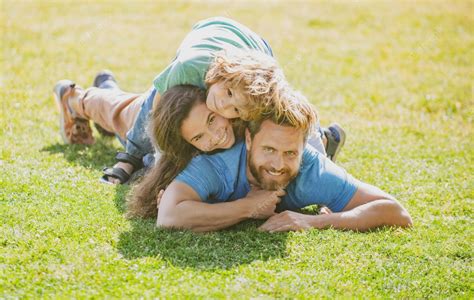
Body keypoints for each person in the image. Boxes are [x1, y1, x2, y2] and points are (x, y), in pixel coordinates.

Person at [53, 17, 344, 184]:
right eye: (226, 97)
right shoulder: (189, 69)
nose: (224, 109)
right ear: (217, 77)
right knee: (134, 118)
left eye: (236, 110)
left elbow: (296, 119)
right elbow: (153, 107)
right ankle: (75, 99)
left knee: (271, 125)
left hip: (254, 51)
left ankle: (105, 86)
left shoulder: (260, 95)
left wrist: (324, 165)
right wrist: (131, 157)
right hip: (209, 38)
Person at [151, 89, 412, 232]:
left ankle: (326, 139)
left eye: (290, 153)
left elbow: (396, 211)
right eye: (269, 149)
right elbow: (169, 216)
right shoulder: (217, 161)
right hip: (150, 108)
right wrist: (248, 207)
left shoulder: (310, 169)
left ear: (304, 148)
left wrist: (312, 221)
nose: (278, 164)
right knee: (121, 112)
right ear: (249, 139)